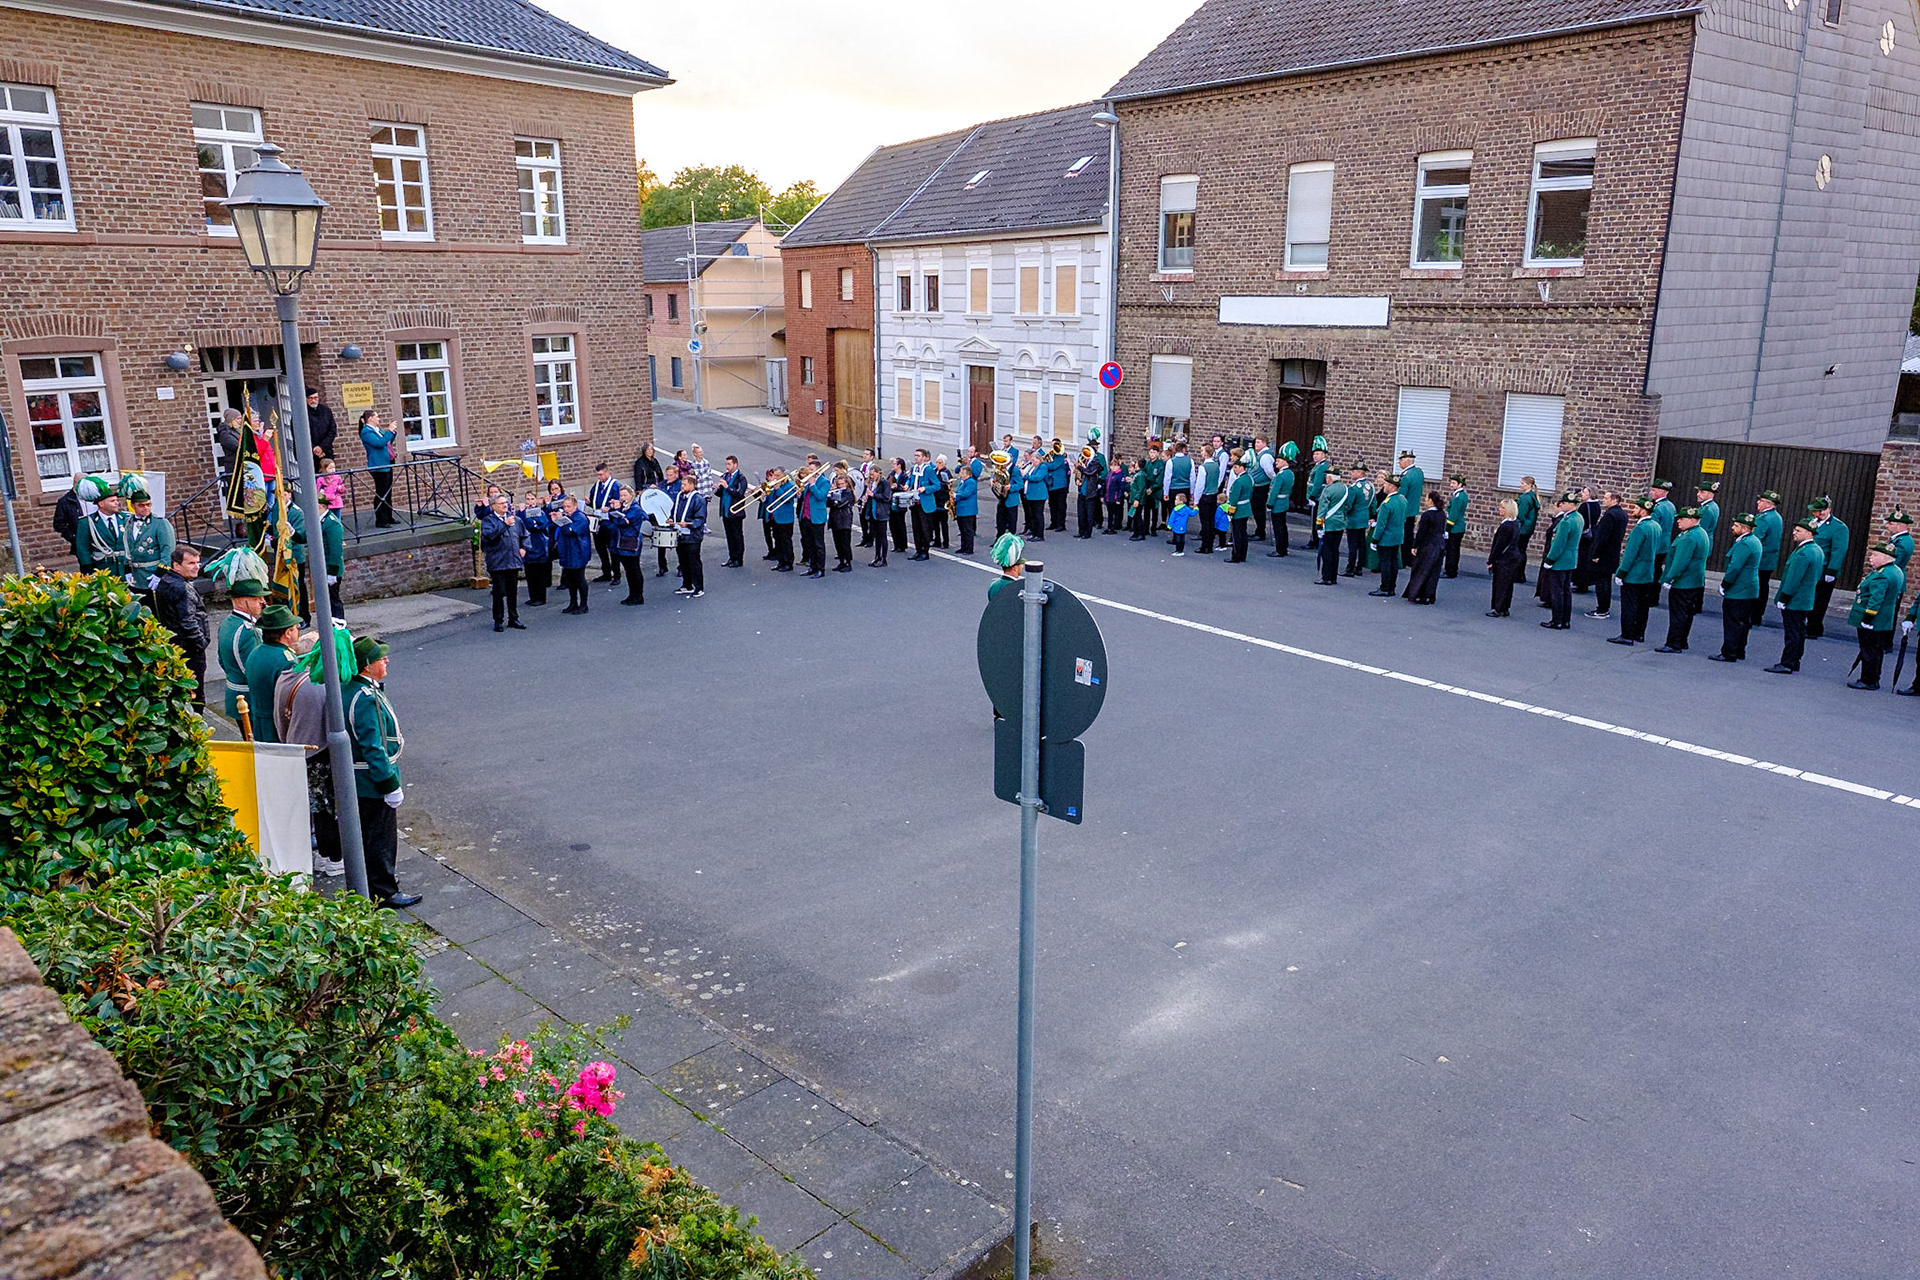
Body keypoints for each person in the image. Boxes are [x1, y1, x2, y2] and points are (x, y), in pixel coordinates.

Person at [343, 637, 416, 908]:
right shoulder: (365, 699)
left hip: (360, 780)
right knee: (381, 839)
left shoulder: (354, 690)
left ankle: (371, 886)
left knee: (370, 837)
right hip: (370, 781)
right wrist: (389, 784)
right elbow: (373, 747)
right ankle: (384, 891)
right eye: (380, 658)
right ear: (366, 666)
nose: (386, 661)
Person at [152, 545, 210, 707]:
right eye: (191, 563)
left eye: (197, 562)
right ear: (176, 565)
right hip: (190, 649)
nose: (197, 566)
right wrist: (201, 643)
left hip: (176, 647)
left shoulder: (166, 581)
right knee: (195, 695)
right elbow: (188, 622)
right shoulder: (181, 587)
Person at [1766, 520, 1825, 674]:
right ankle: (1795, 660)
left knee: (1792, 632)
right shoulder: (1816, 550)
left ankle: (1787, 662)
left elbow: (1793, 578)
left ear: (1809, 533)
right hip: (1805, 598)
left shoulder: (1804, 553)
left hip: (1795, 599)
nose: (1794, 532)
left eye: (1798, 530)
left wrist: (1784, 598)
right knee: (1799, 630)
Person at [1844, 544, 1905, 689]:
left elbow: (1876, 599)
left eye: (1875, 555)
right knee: (1875, 649)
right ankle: (1873, 677)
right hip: (1882, 618)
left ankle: (1869, 679)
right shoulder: (1894, 570)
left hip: (1873, 619)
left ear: (1885, 558)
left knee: (1869, 649)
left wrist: (1867, 619)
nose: (1871, 558)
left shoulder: (1882, 575)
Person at [1655, 506, 1710, 653]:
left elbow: (1680, 562)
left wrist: (1669, 578)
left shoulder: (1689, 537)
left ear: (1692, 520)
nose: (1678, 521)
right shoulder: (1700, 533)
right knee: (1686, 613)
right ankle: (1682, 640)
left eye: (1682, 519)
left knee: (1678, 614)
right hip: (1694, 581)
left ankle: (1674, 643)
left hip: (1684, 582)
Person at [243, 604, 300, 742]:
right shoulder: (286, 660)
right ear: (287, 633)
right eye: (295, 628)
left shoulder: (256, 652)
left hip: (258, 719)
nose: (298, 631)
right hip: (277, 725)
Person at [1712, 513, 1764, 663]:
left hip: (1739, 589)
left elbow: (1735, 567)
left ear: (1744, 528)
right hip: (1749, 589)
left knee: (1733, 622)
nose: (1732, 528)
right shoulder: (1754, 541)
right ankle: (1739, 649)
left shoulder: (1744, 544)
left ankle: (1729, 652)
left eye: (1735, 526)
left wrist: (1725, 584)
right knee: (1743, 622)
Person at [217, 578, 267, 720]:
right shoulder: (249, 631)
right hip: (250, 700)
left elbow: (221, 660)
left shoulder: (227, 623)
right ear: (240, 602)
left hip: (233, 694)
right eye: (256, 598)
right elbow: (255, 670)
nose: (262, 602)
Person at [480, 494, 526, 632]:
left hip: (513, 560)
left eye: (506, 503)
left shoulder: (516, 520)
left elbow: (525, 535)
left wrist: (523, 547)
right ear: (493, 506)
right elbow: (490, 536)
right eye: (501, 504)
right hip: (498, 562)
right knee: (499, 592)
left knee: (513, 592)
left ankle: (514, 618)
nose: (505, 505)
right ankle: (498, 620)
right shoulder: (488, 521)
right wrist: (504, 525)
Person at [1539, 490, 1583, 629]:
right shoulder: (1579, 518)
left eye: (1564, 503)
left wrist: (1550, 560)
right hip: (1571, 559)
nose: (1561, 505)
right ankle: (1566, 620)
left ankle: (1557, 620)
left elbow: (1559, 543)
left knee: (1557, 591)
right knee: (1566, 591)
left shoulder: (1566, 521)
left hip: (1560, 560)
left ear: (1571, 504)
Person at [1806, 497, 1848, 639]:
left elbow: (1839, 550)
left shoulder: (1838, 527)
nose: (1820, 513)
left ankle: (1813, 628)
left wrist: (1832, 570)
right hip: (1809, 567)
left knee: (1819, 600)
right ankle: (1808, 624)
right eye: (1817, 510)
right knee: (1808, 596)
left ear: (1829, 509)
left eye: (1823, 510)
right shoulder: (1810, 522)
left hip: (1824, 569)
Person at [74, 476, 129, 580]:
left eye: (117, 500)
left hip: (126, 568)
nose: (117, 503)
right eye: (112, 501)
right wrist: (89, 571)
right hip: (103, 569)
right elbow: (83, 548)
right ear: (101, 504)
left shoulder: (126, 519)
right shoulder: (87, 522)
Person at [604, 488, 647, 605]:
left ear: (631, 495)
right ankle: (631, 594)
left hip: (631, 541)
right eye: (621, 495)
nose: (622, 498)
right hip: (621, 541)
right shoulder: (624, 508)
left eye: (624, 495)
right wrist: (613, 510)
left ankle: (638, 596)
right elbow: (613, 520)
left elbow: (622, 522)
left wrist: (617, 511)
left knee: (634, 569)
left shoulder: (635, 509)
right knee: (628, 570)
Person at [1404, 491, 1447, 605]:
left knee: (1421, 570)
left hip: (1428, 546)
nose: (1425, 500)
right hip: (1439, 545)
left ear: (1431, 500)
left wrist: (1415, 545)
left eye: (1426, 498)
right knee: (1434, 572)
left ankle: (1417, 594)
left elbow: (1421, 533)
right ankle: (1429, 595)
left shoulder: (1427, 515)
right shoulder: (1442, 514)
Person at [1315, 465, 1354, 586]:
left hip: (1329, 523)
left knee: (1327, 551)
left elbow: (1322, 510)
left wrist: (1319, 526)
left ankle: (1326, 577)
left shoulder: (1328, 490)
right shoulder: (1345, 489)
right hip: (1340, 522)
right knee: (1335, 550)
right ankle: (1333, 577)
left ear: (1330, 478)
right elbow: (1348, 506)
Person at [553, 496, 593, 613]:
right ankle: (573, 602)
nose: (566, 509)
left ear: (575, 506)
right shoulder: (568, 517)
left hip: (578, 552)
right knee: (570, 579)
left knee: (579, 579)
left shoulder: (580, 517)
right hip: (567, 551)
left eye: (568, 506)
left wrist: (561, 522)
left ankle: (584, 604)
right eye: (564, 506)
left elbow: (569, 531)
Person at [1368, 473, 1406, 595]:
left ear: (1391, 486)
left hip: (1386, 537)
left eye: (1386, 484)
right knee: (1393, 562)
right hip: (1397, 536)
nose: (1384, 486)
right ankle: (1392, 587)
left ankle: (1385, 588)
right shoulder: (1402, 500)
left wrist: (1374, 539)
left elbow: (1381, 525)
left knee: (1385, 563)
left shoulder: (1386, 504)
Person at [1486, 498, 1523, 617]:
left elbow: (1498, 545)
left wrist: (1491, 560)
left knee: (1500, 584)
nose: (1500, 509)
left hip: (1504, 559)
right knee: (1508, 584)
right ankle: (1505, 607)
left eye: (1502, 508)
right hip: (1513, 557)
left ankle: (1498, 608)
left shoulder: (1505, 526)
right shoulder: (1516, 523)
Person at [672, 471, 707, 596]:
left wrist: (688, 523)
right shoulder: (680, 497)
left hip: (693, 536)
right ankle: (687, 584)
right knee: (683, 562)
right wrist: (672, 519)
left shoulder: (698, 499)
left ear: (692, 486)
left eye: (685, 485)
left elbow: (700, 519)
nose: (682, 487)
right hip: (681, 535)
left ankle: (699, 587)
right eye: (682, 484)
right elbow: (674, 512)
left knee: (694, 562)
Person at [360, 410, 397, 527]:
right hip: (378, 465)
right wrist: (389, 431)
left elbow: (387, 442)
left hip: (387, 462)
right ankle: (381, 520)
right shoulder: (366, 432)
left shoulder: (378, 430)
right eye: (377, 417)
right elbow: (379, 443)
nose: (379, 419)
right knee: (381, 492)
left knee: (388, 491)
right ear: (370, 418)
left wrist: (392, 433)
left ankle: (389, 516)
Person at [586, 463, 621, 584]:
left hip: (610, 522)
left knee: (613, 549)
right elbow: (594, 502)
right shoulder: (597, 486)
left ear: (607, 473)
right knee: (600, 549)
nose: (599, 477)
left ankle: (617, 575)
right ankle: (606, 573)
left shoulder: (615, 486)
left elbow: (619, 504)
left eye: (601, 475)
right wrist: (589, 502)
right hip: (597, 522)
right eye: (597, 475)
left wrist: (611, 508)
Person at [520, 497, 554, 606]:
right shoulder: (522, 513)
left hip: (539, 545)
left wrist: (534, 522)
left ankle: (540, 597)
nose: (530, 502)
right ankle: (533, 596)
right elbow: (525, 525)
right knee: (530, 574)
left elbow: (541, 525)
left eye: (532, 499)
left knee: (539, 574)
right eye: (528, 499)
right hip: (529, 546)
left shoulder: (541, 512)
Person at [715, 456, 748, 567]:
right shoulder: (725, 476)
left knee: (737, 535)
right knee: (729, 536)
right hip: (726, 511)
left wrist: (727, 486)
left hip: (736, 512)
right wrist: (717, 488)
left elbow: (739, 493)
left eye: (729, 464)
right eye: (726, 464)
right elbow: (721, 494)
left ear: (735, 465)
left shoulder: (741, 478)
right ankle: (732, 557)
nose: (727, 467)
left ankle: (738, 559)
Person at [1265, 443, 1296, 557]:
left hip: (1277, 503)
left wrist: (1269, 504)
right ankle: (1284, 547)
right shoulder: (1290, 473)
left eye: (1278, 460)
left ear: (1284, 462)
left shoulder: (1281, 475)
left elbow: (1274, 491)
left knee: (1278, 527)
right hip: (1284, 502)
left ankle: (1280, 549)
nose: (1276, 462)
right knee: (1283, 526)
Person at [1752, 490, 1784, 603]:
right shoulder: (1777, 517)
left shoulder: (1764, 519)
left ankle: (1753, 615)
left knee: (1757, 586)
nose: (1758, 503)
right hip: (1769, 559)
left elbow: (1755, 538)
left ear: (1769, 504)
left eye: (1761, 501)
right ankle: (1758, 614)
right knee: (1764, 584)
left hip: (1761, 559)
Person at [765, 467, 798, 571]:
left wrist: (778, 489)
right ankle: (781, 561)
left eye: (778, 476)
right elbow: (770, 500)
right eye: (774, 475)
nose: (775, 478)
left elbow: (786, 499)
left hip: (785, 518)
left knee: (786, 541)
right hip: (775, 517)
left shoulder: (790, 486)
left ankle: (788, 562)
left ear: (784, 476)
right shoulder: (774, 485)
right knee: (778, 540)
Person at [1195, 449, 1226, 556]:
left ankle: (1205, 546)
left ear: (1205, 453)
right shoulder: (1216, 466)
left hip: (1205, 496)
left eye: (1202, 451)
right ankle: (1210, 545)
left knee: (1205, 522)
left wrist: (1196, 500)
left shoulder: (1203, 467)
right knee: (1211, 521)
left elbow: (1200, 485)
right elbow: (1218, 480)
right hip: (1213, 496)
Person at [907, 449, 937, 561]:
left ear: (924, 457)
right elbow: (910, 480)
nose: (916, 458)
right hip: (914, 502)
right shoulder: (913, 468)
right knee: (916, 528)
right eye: (915, 455)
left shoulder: (928, 469)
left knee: (925, 528)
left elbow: (937, 485)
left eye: (918, 456)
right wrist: (907, 485)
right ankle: (918, 550)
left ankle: (925, 551)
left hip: (924, 503)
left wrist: (925, 488)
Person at [1343, 463, 1373, 577]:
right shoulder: (1370, 486)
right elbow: (1372, 503)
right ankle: (1359, 567)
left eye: (1353, 471)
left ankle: (1350, 568)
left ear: (1360, 473)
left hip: (1354, 519)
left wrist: (1344, 514)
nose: (1352, 473)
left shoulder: (1354, 488)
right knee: (1362, 544)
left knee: (1353, 545)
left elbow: (1349, 505)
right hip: (1363, 518)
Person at [652, 464, 681, 577]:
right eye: (667, 475)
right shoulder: (662, 484)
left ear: (676, 474)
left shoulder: (679, 485)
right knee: (661, 542)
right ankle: (662, 566)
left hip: (674, 516)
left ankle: (681, 567)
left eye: (671, 475)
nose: (668, 477)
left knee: (678, 543)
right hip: (662, 517)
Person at [1224, 457, 1254, 563]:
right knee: (1243, 533)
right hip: (1246, 508)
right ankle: (1242, 555)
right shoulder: (1249, 479)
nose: (1234, 470)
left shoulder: (1238, 482)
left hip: (1238, 509)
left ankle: (1236, 556)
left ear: (1242, 468)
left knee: (1236, 534)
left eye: (1236, 467)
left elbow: (1234, 499)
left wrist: (1231, 511)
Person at [825, 472, 856, 572]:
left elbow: (839, 504)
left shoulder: (848, 493)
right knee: (837, 543)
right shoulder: (836, 492)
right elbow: (828, 503)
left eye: (842, 484)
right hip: (835, 520)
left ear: (846, 483)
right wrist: (830, 495)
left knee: (844, 543)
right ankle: (842, 562)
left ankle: (847, 563)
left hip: (844, 520)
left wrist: (832, 498)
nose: (840, 486)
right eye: (839, 484)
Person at [1075, 440, 1105, 538]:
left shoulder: (1096, 462)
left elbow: (1089, 472)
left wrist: (1079, 467)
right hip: (1082, 490)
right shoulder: (1084, 460)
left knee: (1089, 514)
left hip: (1090, 491)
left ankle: (1087, 533)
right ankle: (1081, 531)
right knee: (1081, 513)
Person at [1396, 451, 1424, 552]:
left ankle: (1404, 556)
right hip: (1413, 508)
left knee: (1404, 534)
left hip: (1405, 509)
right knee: (1410, 532)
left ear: (1407, 461)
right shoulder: (1419, 472)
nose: (1399, 463)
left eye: (1401, 460)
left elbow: (1401, 494)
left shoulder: (1406, 476)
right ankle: (1409, 555)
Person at [1248, 436, 1275, 542]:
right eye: (1255, 442)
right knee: (1256, 509)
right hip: (1256, 486)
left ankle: (1260, 532)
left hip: (1261, 486)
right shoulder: (1259, 455)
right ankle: (1258, 530)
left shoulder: (1265, 456)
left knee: (1259, 510)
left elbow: (1269, 471)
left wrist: (1273, 481)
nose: (1256, 445)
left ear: (1264, 443)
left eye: (1258, 442)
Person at [1513, 476, 1540, 585]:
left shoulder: (1525, 498)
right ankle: (1520, 574)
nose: (1520, 485)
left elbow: (1521, 515)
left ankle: (1518, 574)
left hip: (1523, 528)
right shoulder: (1532, 497)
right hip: (1528, 528)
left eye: (1523, 483)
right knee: (1522, 550)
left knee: (1518, 551)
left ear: (1529, 485)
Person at [864, 467, 892, 567]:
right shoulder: (873, 483)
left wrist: (873, 495)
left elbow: (886, 497)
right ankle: (877, 556)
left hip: (882, 513)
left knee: (882, 536)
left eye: (873, 475)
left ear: (878, 473)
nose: (871, 477)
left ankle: (883, 558)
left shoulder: (884, 483)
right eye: (870, 475)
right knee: (876, 536)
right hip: (873, 512)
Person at [1304, 438, 1329, 550]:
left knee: (1316, 520)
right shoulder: (1318, 465)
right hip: (1316, 497)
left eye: (1318, 454)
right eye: (1314, 454)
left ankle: (1314, 540)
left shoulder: (1322, 467)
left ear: (1324, 454)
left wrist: (1313, 496)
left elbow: (1317, 483)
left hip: (1317, 497)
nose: (1315, 456)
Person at [1443, 476, 1469, 577]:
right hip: (1459, 526)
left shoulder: (1458, 497)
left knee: (1452, 550)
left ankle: (1450, 571)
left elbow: (1453, 515)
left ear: (1460, 484)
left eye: (1453, 483)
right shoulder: (1462, 495)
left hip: (1455, 528)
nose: (1451, 485)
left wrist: (1447, 529)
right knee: (1454, 550)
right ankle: (1452, 570)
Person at [1162, 439, 1193, 520]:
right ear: (1184, 449)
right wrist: (1192, 492)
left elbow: (1167, 478)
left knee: (1174, 509)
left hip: (1174, 488)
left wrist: (1165, 492)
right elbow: (1192, 478)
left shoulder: (1171, 461)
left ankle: (1174, 525)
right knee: (1184, 509)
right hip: (1186, 487)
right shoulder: (1190, 461)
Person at [989, 533, 1026, 600]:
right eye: (1021, 564)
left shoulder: (994, 585)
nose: (1022, 566)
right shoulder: (1017, 588)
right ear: (1015, 568)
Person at [305, 388, 338, 460]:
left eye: (315, 398)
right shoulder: (301, 413)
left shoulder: (326, 411)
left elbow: (332, 430)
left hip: (326, 451)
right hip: (308, 453)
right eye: (310, 398)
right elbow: (300, 434)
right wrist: (313, 448)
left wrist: (322, 447)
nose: (313, 401)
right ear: (306, 399)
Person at [953, 462, 979, 555]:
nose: (960, 474)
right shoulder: (962, 482)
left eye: (962, 473)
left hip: (968, 510)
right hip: (961, 509)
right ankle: (963, 547)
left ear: (967, 474)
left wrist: (955, 495)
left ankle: (969, 548)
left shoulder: (971, 482)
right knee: (962, 530)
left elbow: (966, 493)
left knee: (968, 530)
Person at [1045, 441, 1070, 531]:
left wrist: (1043, 463)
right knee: (1052, 504)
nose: (1052, 447)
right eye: (1051, 445)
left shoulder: (1060, 456)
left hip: (1060, 484)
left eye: (1054, 445)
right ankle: (1053, 522)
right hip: (1052, 484)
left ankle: (1061, 524)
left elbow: (1053, 466)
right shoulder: (1051, 456)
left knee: (1060, 505)